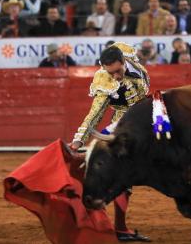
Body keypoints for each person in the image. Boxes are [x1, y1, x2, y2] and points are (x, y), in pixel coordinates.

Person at [68, 42, 150, 242]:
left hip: (147, 115)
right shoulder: (104, 80)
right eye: (110, 73)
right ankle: (119, 227)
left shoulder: (127, 51)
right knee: (123, 174)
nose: (116, 76)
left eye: (118, 71)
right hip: (122, 126)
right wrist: (77, 141)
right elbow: (94, 114)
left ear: (124, 61)